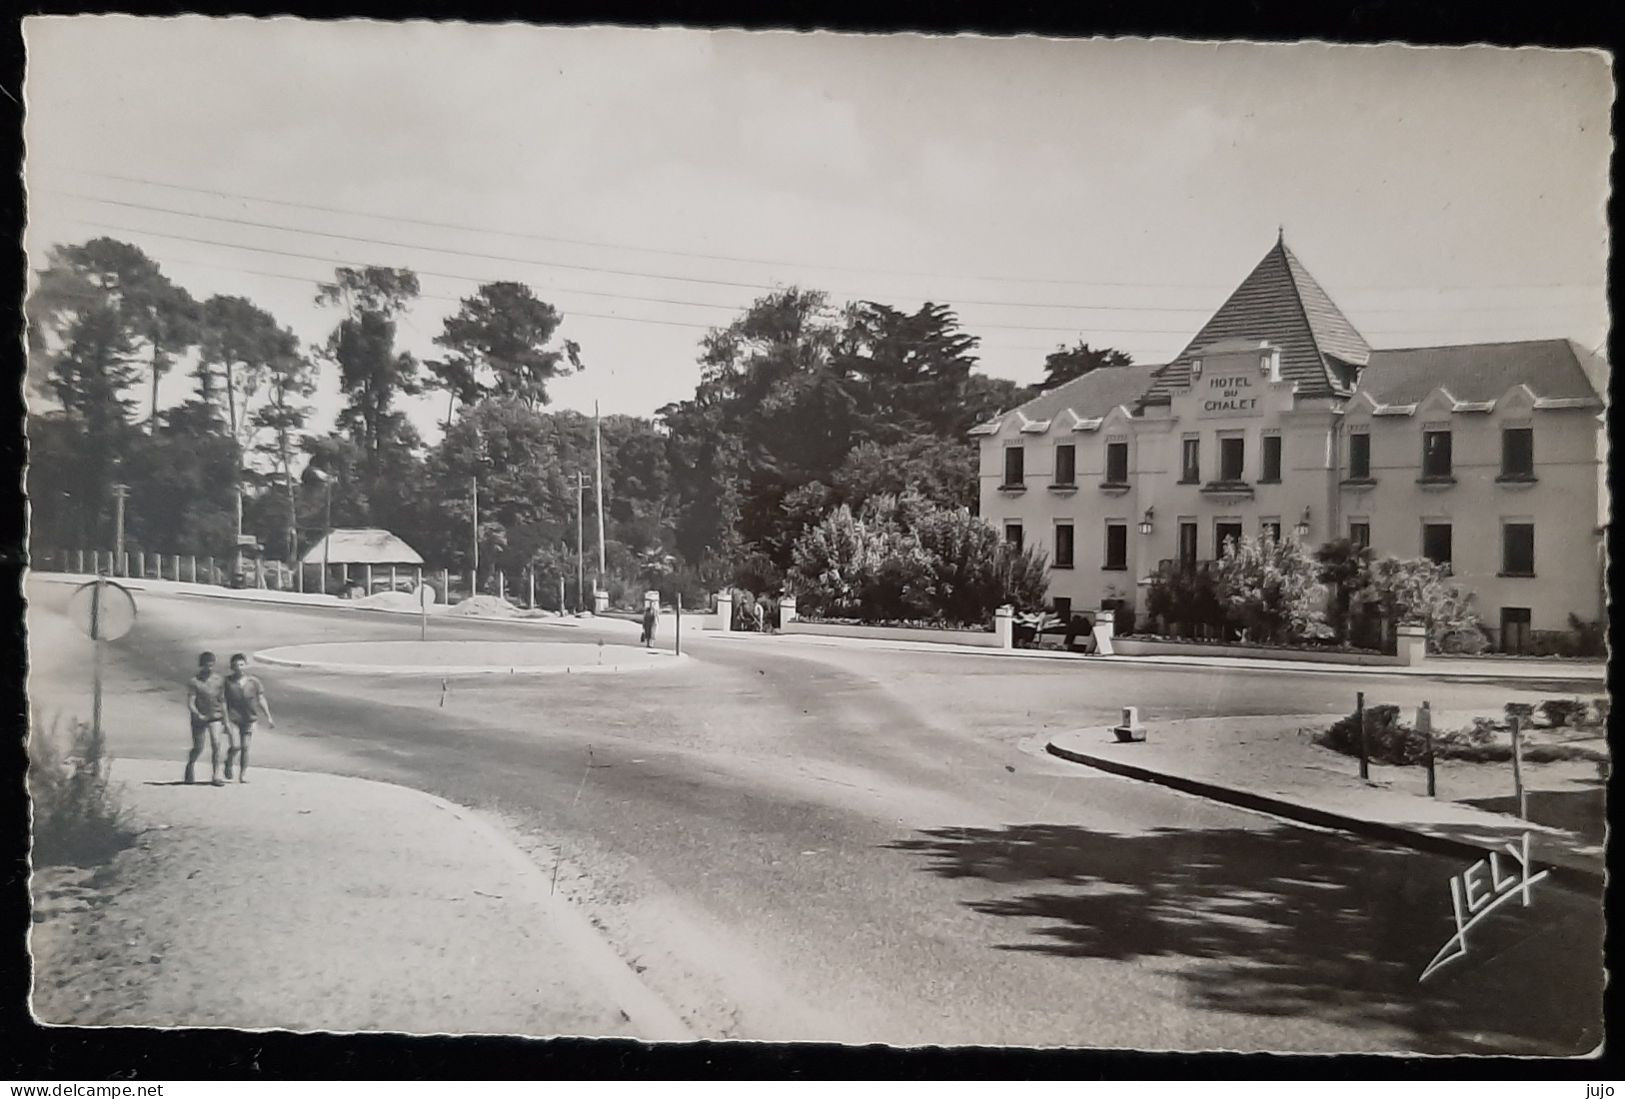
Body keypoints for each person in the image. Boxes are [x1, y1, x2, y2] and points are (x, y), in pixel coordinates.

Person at [223, 652, 274, 783]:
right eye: (236, 665)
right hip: (233, 717)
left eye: (241, 664)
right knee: (236, 745)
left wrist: (268, 716)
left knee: (245, 747)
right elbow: (222, 700)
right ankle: (229, 762)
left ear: (246, 665)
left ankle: (242, 774)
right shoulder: (227, 682)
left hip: (249, 718)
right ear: (231, 667)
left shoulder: (254, 682)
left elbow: (261, 698)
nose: (239, 667)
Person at [185, 651, 229, 786]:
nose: (208, 668)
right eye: (206, 665)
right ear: (201, 665)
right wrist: (198, 714)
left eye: (211, 665)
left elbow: (223, 701)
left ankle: (216, 775)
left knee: (216, 744)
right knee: (198, 747)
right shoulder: (195, 681)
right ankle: (190, 765)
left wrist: (226, 721)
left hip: (215, 716)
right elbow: (191, 702)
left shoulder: (219, 680)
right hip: (200, 717)